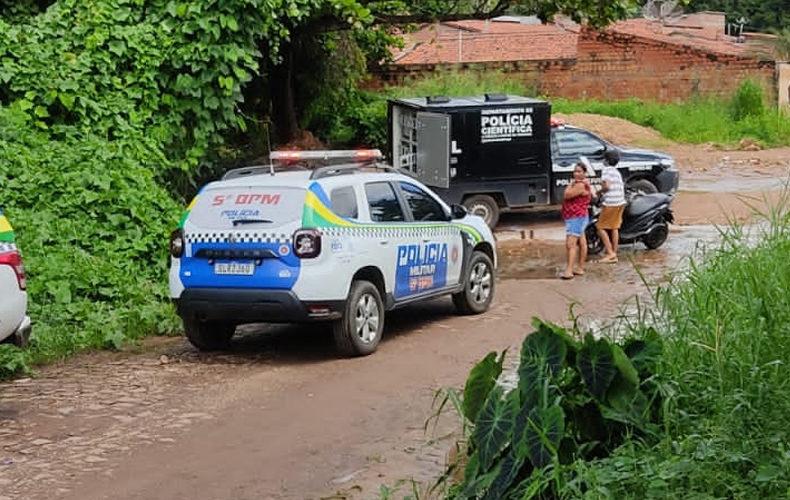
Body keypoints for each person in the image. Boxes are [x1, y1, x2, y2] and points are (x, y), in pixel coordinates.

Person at [560, 161, 592, 280]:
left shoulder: (579, 185)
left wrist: (570, 185)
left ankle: (569, 270)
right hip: (580, 216)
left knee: (571, 244)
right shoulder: (583, 184)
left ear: (584, 173)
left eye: (579, 171)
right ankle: (580, 268)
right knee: (582, 242)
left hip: (576, 217)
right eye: (575, 171)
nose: (576, 174)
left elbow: (567, 195)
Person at [596, 149, 626, 263]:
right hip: (620, 202)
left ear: (606, 160)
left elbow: (607, 186)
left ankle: (609, 253)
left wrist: (599, 192)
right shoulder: (616, 172)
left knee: (600, 227)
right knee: (614, 228)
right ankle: (614, 253)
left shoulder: (606, 170)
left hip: (611, 203)